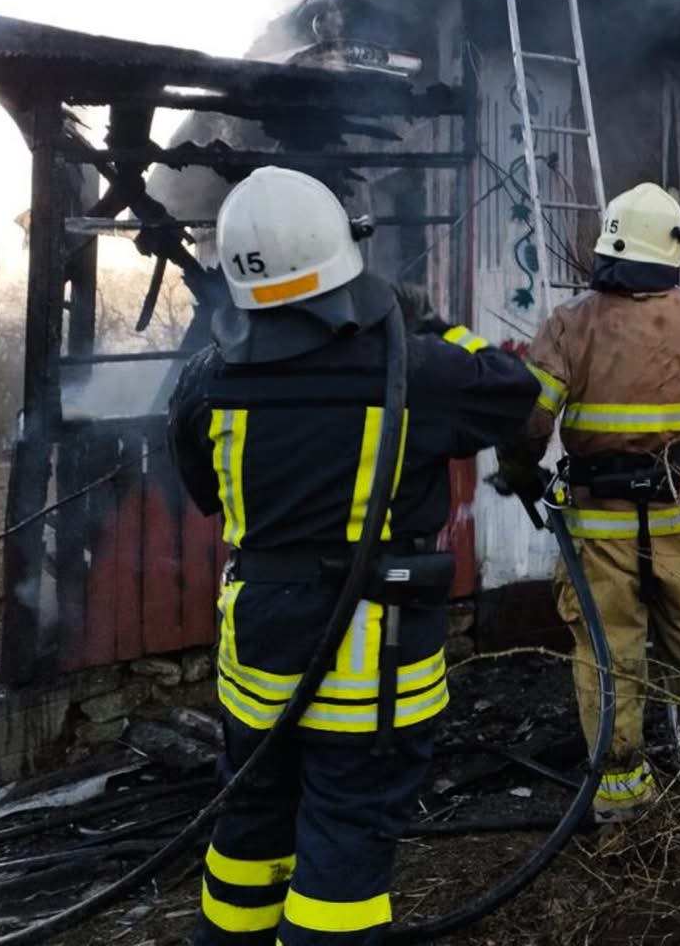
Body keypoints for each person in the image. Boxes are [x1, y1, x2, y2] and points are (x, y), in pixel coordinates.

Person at [168, 166, 539, 946]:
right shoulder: (415, 369)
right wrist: (437, 326)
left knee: (250, 825)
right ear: (343, 253)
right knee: (343, 842)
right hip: (371, 666)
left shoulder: (204, 380)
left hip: (259, 657)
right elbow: (515, 391)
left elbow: (205, 490)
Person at [496, 182, 680, 824]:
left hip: (598, 523)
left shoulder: (568, 324)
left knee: (609, 656)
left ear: (608, 242)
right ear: (675, 247)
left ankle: (622, 802)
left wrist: (517, 475)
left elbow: (526, 423)